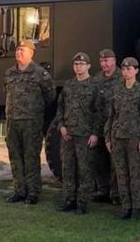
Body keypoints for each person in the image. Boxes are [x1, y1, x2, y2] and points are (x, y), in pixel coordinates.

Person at [4, 39, 55, 205]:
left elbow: (50, 96)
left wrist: (34, 110)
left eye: (22, 50)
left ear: (31, 53)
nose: (18, 52)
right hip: (13, 123)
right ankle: (19, 190)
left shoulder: (40, 73)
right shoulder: (10, 73)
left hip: (31, 123)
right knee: (15, 157)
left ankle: (33, 192)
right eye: (17, 49)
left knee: (31, 157)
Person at [105, 57, 140, 220]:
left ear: (136, 71)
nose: (126, 72)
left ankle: (136, 207)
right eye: (124, 69)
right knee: (121, 173)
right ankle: (126, 206)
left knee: (134, 173)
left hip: (134, 139)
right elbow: (111, 116)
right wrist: (108, 138)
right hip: (118, 137)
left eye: (129, 69)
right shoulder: (117, 90)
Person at [55, 52, 99, 214]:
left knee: (84, 169)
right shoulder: (68, 85)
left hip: (85, 135)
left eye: (81, 64)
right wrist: (61, 126)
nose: (78, 67)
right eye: (76, 64)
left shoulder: (94, 86)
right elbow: (60, 108)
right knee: (67, 168)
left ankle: (82, 203)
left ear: (88, 66)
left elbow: (99, 113)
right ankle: (69, 200)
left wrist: (95, 133)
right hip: (68, 134)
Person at [92, 48, 122, 204]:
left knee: (115, 162)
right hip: (99, 126)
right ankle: (102, 190)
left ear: (114, 61)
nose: (104, 64)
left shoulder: (122, 77)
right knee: (99, 160)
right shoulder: (97, 79)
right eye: (102, 61)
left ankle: (115, 194)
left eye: (107, 60)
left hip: (115, 127)